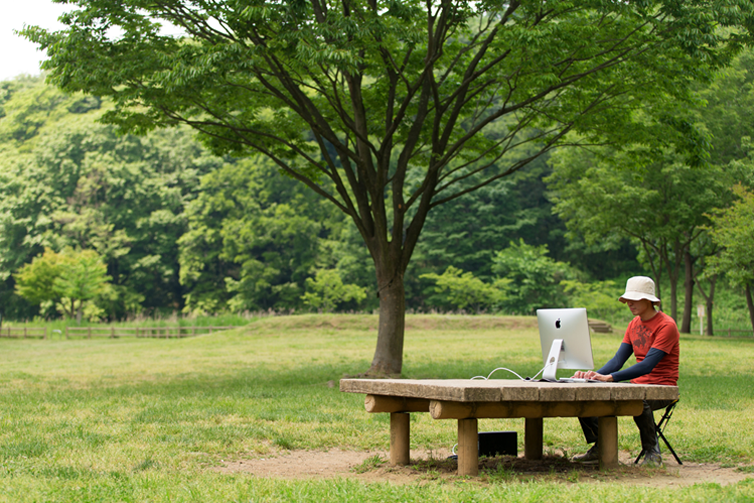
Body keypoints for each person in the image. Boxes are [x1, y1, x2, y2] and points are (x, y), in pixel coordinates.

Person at [571, 276, 680, 467]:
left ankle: (652, 452)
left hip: (662, 387)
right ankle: (600, 447)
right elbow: (618, 360)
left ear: (649, 300)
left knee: (639, 399)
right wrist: (593, 377)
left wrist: (611, 378)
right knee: (586, 392)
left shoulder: (666, 325)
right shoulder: (634, 324)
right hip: (637, 384)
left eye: (635, 299)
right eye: (628, 299)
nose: (629, 303)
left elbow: (647, 365)